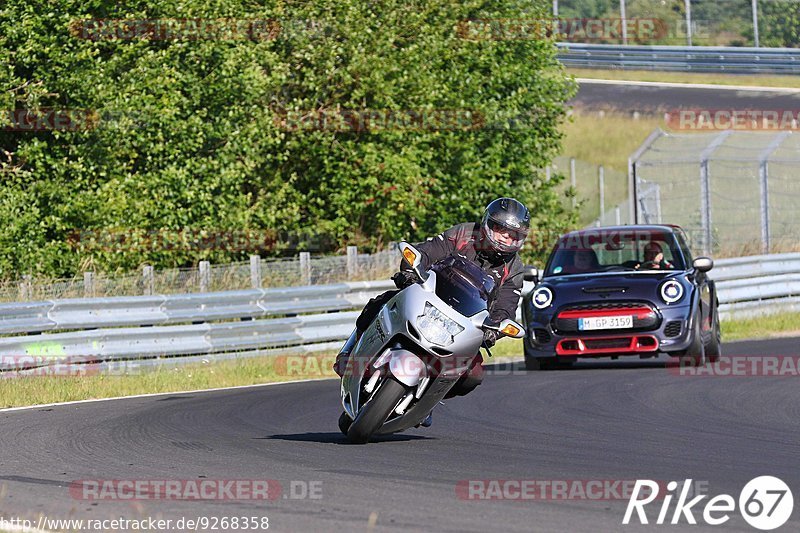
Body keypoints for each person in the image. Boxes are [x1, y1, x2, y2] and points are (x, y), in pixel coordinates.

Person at [333, 197, 530, 424]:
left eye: (514, 235)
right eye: (502, 231)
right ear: (488, 225)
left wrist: (494, 329)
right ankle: (350, 351)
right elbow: (426, 252)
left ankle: (426, 402)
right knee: (382, 302)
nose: (507, 238)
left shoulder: (514, 268)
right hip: (429, 299)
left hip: (466, 325)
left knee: (473, 376)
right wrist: (410, 271)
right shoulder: (463, 235)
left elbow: (506, 306)